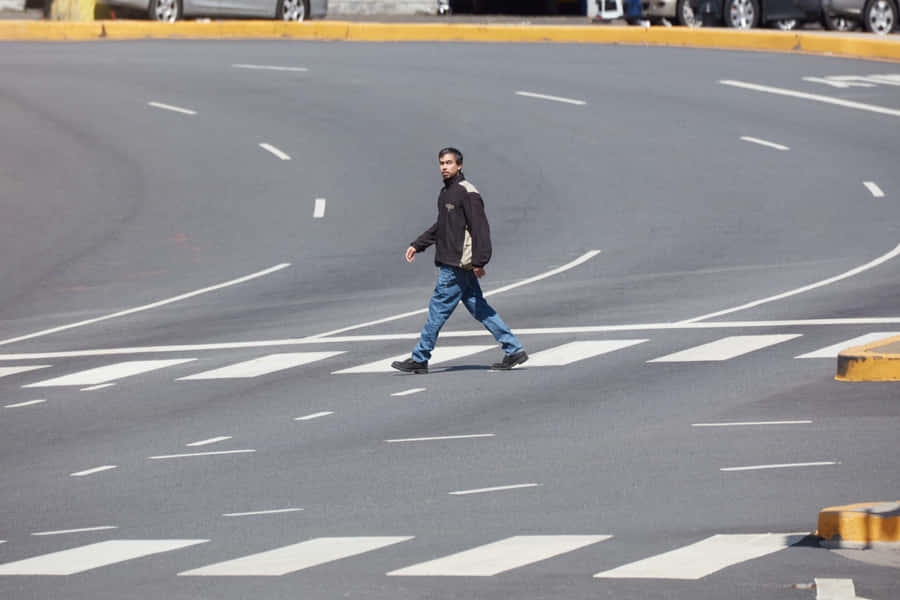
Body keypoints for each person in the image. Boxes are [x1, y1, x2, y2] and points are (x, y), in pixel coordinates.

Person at [391, 147, 528, 375]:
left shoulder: (467, 193)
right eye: (441, 163)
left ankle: (420, 357)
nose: (444, 167)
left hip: (456, 265)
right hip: (456, 263)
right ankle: (513, 349)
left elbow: (480, 228)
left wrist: (480, 262)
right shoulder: (446, 193)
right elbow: (441, 226)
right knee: (480, 308)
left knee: (437, 310)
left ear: (459, 165)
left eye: (449, 163)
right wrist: (418, 244)